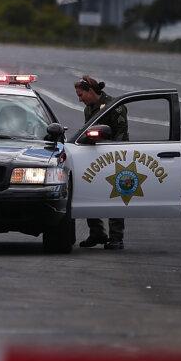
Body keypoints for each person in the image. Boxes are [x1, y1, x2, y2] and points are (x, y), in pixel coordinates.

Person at [75, 74, 128, 250]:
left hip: (117, 157)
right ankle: (97, 233)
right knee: (90, 193)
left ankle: (116, 238)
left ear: (90, 91)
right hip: (96, 157)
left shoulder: (115, 107)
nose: (79, 99)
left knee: (117, 195)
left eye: (81, 95)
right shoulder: (88, 109)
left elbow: (121, 137)